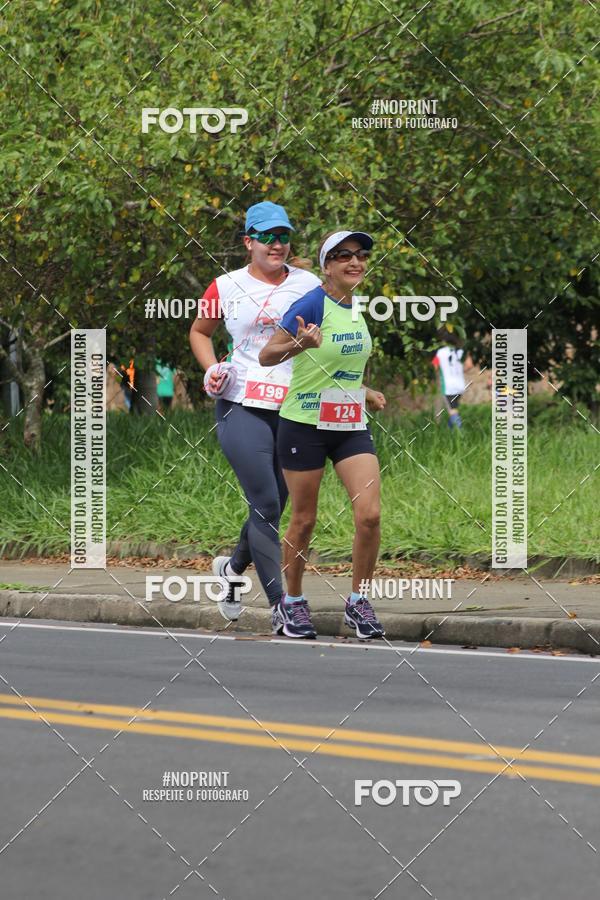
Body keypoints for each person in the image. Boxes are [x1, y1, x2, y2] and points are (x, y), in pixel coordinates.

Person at [189, 201, 321, 621]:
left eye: (283, 236)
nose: (276, 244)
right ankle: (282, 606)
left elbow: (329, 336)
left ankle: (231, 569)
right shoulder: (225, 286)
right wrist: (212, 369)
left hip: (293, 406)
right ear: (249, 242)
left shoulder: (308, 284)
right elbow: (199, 331)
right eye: (266, 236)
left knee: (275, 505)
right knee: (265, 502)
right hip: (240, 403)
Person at [259, 230, 386, 640]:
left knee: (369, 515)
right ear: (327, 265)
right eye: (344, 256)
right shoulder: (313, 302)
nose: (355, 262)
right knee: (304, 519)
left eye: (361, 255)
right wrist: (298, 343)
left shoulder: (355, 306)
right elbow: (267, 355)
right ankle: (290, 603)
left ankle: (358, 602)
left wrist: (364, 391)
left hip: (348, 424)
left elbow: (338, 364)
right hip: (304, 424)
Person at [432, 328, 474, 429]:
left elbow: (435, 366)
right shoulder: (461, 352)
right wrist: (461, 371)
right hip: (460, 385)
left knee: (452, 410)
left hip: (448, 387)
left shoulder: (440, 352)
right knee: (454, 408)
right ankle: (450, 431)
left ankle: (460, 434)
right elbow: (469, 365)